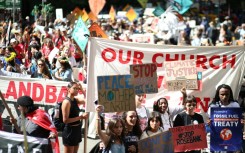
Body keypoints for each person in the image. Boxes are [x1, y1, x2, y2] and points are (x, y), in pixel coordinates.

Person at [61, 81, 88, 153]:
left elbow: (87, 101)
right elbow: (65, 120)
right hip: (69, 130)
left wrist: (82, 90)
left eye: (77, 89)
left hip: (77, 130)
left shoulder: (75, 100)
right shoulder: (67, 102)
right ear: (68, 89)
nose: (76, 90)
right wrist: (81, 117)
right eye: (74, 88)